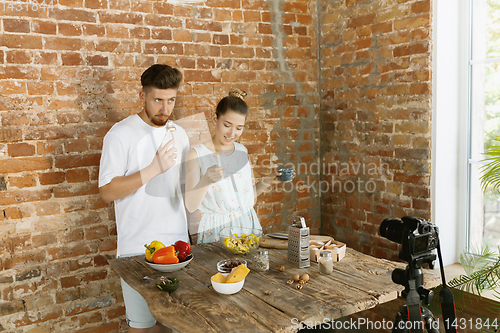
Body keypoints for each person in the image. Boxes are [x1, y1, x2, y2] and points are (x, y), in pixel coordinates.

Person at [99, 64, 189, 333]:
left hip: (177, 249)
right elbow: (107, 191)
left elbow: (184, 190)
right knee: (142, 328)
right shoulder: (120, 134)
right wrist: (152, 170)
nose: (165, 108)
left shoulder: (180, 134)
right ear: (143, 96)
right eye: (158, 100)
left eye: (171, 100)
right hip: (138, 250)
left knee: (179, 325)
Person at [184, 88, 280, 243]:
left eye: (239, 128)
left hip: (247, 226)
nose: (232, 133)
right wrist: (206, 179)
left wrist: (268, 180)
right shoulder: (196, 154)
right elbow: (191, 206)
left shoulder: (242, 151)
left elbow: (245, 198)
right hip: (217, 230)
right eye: (227, 125)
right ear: (215, 118)